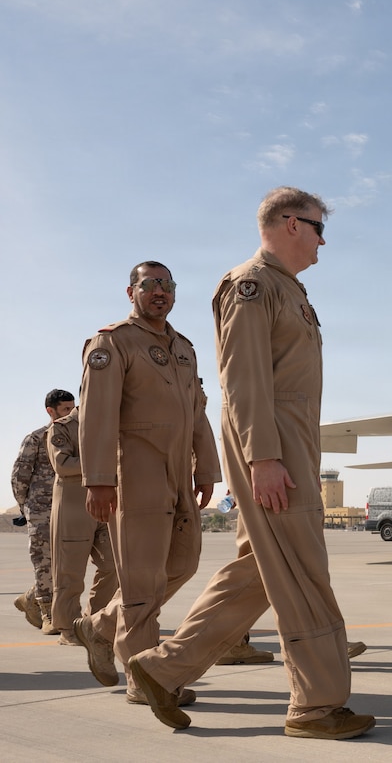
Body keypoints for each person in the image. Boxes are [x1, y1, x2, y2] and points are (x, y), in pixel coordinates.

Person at [127, 187, 374, 740]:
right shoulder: (252, 285)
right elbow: (242, 381)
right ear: (290, 223)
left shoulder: (288, 290)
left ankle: (162, 667)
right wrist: (263, 457)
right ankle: (316, 706)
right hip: (274, 444)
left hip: (293, 441)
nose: (322, 239)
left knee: (264, 569)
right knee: (303, 570)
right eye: (316, 227)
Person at [73, 261, 221, 706]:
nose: (161, 292)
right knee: (140, 580)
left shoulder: (183, 347)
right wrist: (98, 480)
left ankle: (98, 627)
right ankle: (144, 678)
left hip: (178, 472)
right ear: (131, 291)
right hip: (134, 470)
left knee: (184, 562)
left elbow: (197, 411)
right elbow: (96, 415)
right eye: (150, 285)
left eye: (168, 285)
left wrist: (206, 468)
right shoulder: (112, 342)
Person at [47, 404, 118, 645]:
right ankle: (67, 628)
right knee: (70, 571)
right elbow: (63, 465)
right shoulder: (63, 428)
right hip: (73, 507)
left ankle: (94, 622)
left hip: (106, 506)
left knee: (113, 565)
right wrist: (104, 464)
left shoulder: (112, 423)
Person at [11, 388, 76, 633]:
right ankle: (49, 614)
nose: (71, 413)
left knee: (66, 564)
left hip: (70, 508)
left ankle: (31, 597)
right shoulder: (36, 438)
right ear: (51, 411)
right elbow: (20, 476)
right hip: (40, 510)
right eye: (66, 410)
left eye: (73, 408)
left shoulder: (77, 438)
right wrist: (26, 508)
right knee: (45, 562)